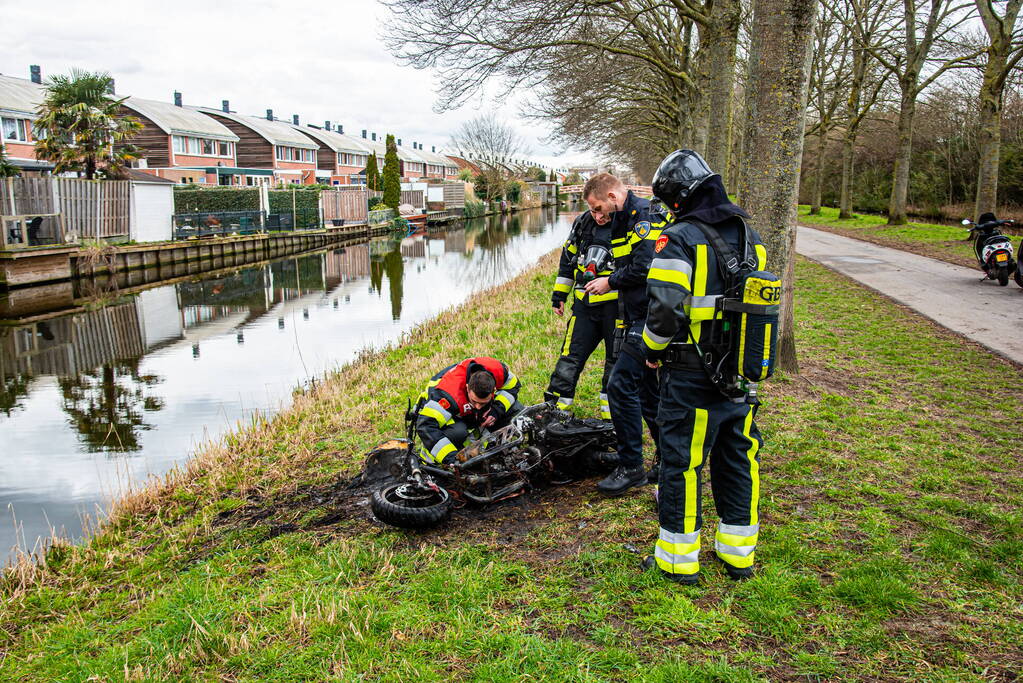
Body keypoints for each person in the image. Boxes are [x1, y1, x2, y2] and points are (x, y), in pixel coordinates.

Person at [641, 149, 767, 584]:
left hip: (691, 371)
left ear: (678, 198)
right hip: (741, 371)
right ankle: (737, 554)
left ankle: (678, 560)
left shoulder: (677, 238)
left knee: (682, 462)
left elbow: (664, 309)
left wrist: (651, 350)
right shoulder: (749, 236)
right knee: (738, 458)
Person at [581, 173, 671, 496]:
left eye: (597, 207)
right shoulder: (621, 220)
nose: (597, 214)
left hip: (649, 316)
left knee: (619, 385)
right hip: (636, 314)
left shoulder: (642, 218)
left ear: (612, 195)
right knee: (648, 395)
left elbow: (646, 267)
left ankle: (631, 465)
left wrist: (610, 282)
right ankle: (666, 458)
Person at [545, 210, 619, 420]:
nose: (597, 216)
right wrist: (559, 294)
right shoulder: (583, 223)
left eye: (601, 210)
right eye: (593, 210)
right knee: (570, 358)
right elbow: (568, 259)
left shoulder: (627, 220)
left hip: (617, 308)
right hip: (584, 307)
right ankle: (555, 413)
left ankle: (613, 420)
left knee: (615, 362)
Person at [415, 356, 524, 466]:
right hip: (442, 412)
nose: (478, 407)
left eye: (483, 403)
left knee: (516, 408)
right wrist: (452, 459)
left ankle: (488, 446)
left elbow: (513, 385)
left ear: (493, 390)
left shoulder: (498, 371)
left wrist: (496, 409)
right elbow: (425, 426)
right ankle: (436, 461)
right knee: (458, 431)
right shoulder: (448, 394)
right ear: (467, 388)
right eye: (474, 401)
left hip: (465, 410)